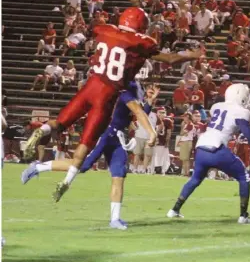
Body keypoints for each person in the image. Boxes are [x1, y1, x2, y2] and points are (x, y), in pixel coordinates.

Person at [22, 7, 201, 202]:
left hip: (94, 91)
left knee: (65, 126)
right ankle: (61, 178)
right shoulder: (134, 64)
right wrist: (192, 55)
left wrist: (148, 103)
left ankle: (43, 133)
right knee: (82, 155)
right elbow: (165, 63)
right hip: (106, 103)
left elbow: (94, 33)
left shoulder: (106, 30)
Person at [22, 82, 158, 230]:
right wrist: (151, 131)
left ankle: (115, 219)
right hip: (105, 133)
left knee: (119, 174)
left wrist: (150, 102)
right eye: (143, 89)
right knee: (82, 165)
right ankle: (38, 167)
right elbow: (138, 113)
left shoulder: (132, 96)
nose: (144, 92)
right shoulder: (125, 92)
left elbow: (138, 114)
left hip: (117, 137)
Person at [167, 84, 250, 223]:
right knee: (244, 176)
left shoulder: (217, 106)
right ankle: (243, 216)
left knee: (195, 180)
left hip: (201, 146)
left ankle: (174, 209)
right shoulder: (242, 112)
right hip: (217, 148)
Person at [153, 108, 173, 175]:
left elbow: (169, 133)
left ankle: (162, 170)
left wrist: (167, 142)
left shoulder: (167, 121)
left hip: (162, 142)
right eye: (160, 112)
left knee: (163, 157)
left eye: (163, 112)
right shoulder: (153, 119)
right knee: (152, 156)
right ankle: (151, 170)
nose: (162, 114)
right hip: (153, 141)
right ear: (157, 113)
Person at [178, 112, 195, 177]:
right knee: (184, 158)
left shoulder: (190, 124)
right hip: (185, 141)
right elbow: (182, 133)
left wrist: (183, 130)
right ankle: (185, 172)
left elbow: (182, 133)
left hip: (187, 141)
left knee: (186, 158)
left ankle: (186, 173)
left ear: (187, 117)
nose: (183, 118)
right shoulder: (187, 124)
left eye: (184, 117)